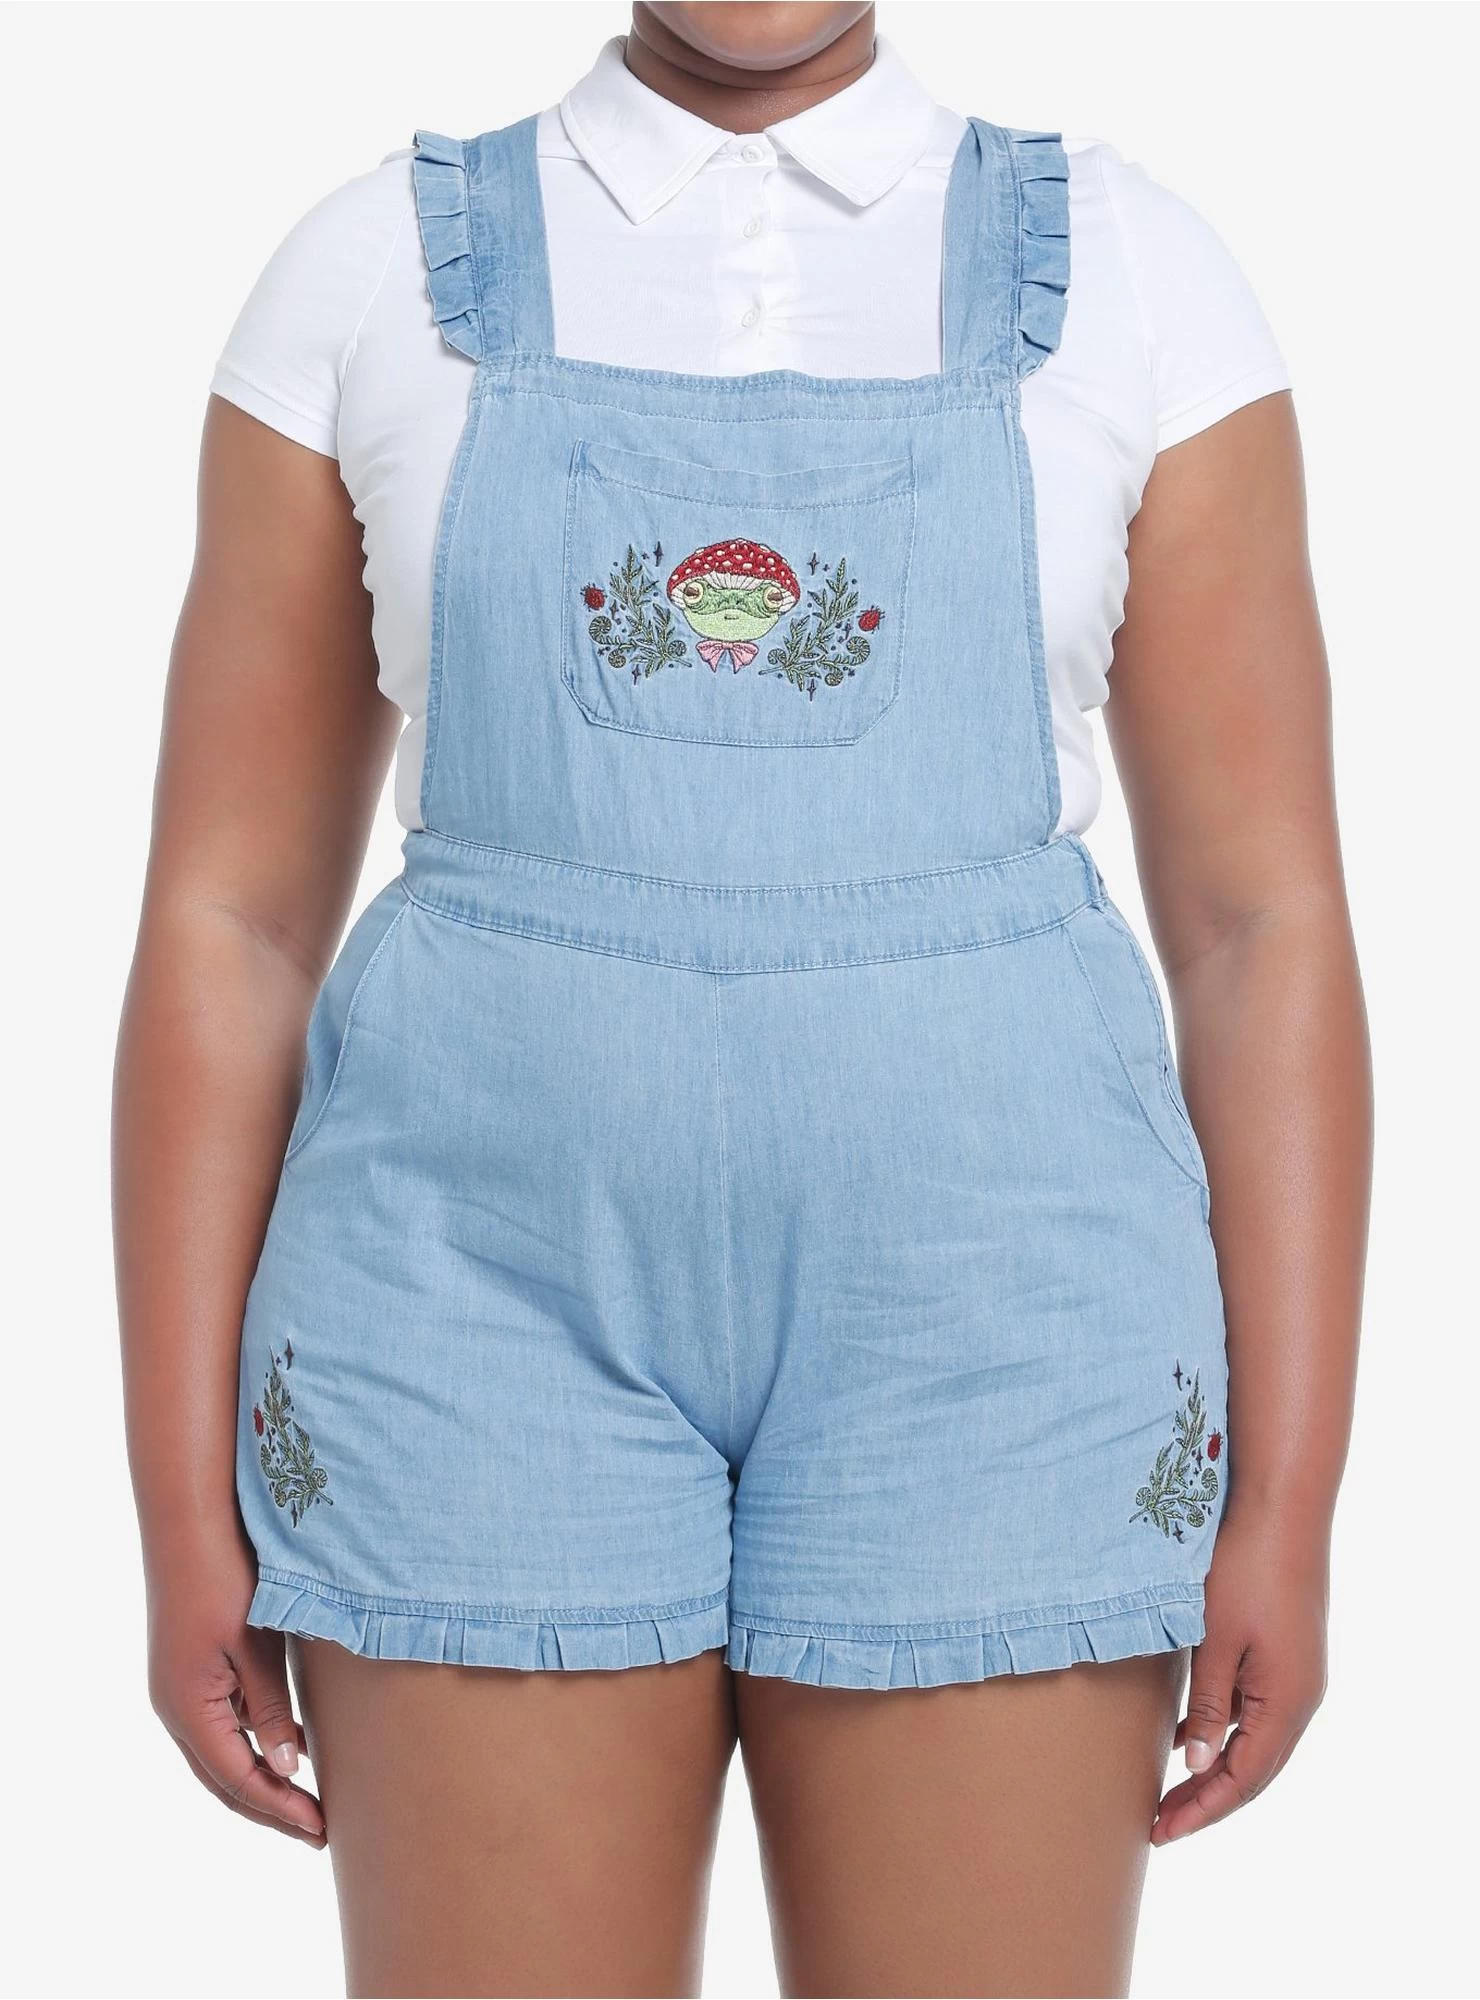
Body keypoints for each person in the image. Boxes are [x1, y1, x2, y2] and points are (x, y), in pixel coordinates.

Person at [114, 4, 1370, 1993]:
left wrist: (1289, 1500)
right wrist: (179, 1499)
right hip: (467, 1307)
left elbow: (1258, 920)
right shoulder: (366, 274)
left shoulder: (1141, 278)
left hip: (1004, 1318)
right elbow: (229, 917)